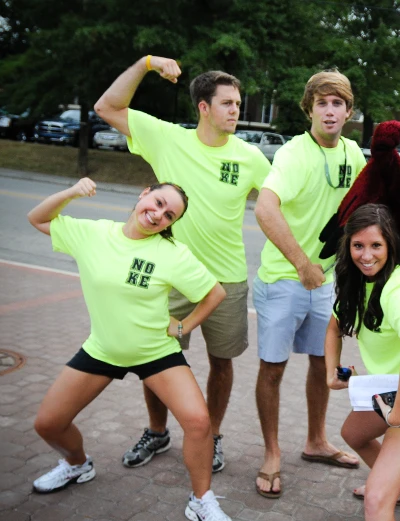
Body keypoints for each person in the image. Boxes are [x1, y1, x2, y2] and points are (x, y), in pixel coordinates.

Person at [95, 55, 270, 474]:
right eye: (227, 103)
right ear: (204, 107)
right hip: (168, 278)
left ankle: (211, 435)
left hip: (226, 280)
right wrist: (144, 64)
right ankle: (157, 431)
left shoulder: (250, 157)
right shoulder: (166, 139)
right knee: (156, 360)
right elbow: (107, 107)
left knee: (222, 363)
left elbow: (283, 204)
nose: (236, 110)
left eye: (238, 103)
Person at [28, 178, 233, 521]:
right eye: (157, 203)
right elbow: (37, 218)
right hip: (102, 349)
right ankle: (77, 464)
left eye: (169, 216)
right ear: (144, 194)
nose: (157, 215)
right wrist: (71, 193)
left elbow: (215, 293)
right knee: (48, 424)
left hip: (156, 352)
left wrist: (184, 325)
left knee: (199, 422)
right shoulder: (94, 234)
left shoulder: (171, 254)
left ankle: (201, 499)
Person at [252, 69, 366, 498]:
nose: (330, 110)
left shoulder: (354, 154)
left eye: (338, 103)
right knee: (273, 368)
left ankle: (316, 441)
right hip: (285, 279)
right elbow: (265, 209)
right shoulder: (293, 154)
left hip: (327, 282)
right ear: (310, 109)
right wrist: (301, 263)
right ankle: (271, 453)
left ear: (348, 110)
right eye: (322, 103)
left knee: (323, 363)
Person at [325, 204, 400, 520]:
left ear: (390, 245)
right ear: (348, 245)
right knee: (353, 435)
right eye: (358, 245)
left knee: (376, 501)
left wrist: (399, 414)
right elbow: (334, 326)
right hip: (389, 393)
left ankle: (385, 488)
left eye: (376, 245)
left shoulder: (399, 288)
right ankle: (391, 482)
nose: (366, 255)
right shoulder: (356, 282)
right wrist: (331, 371)